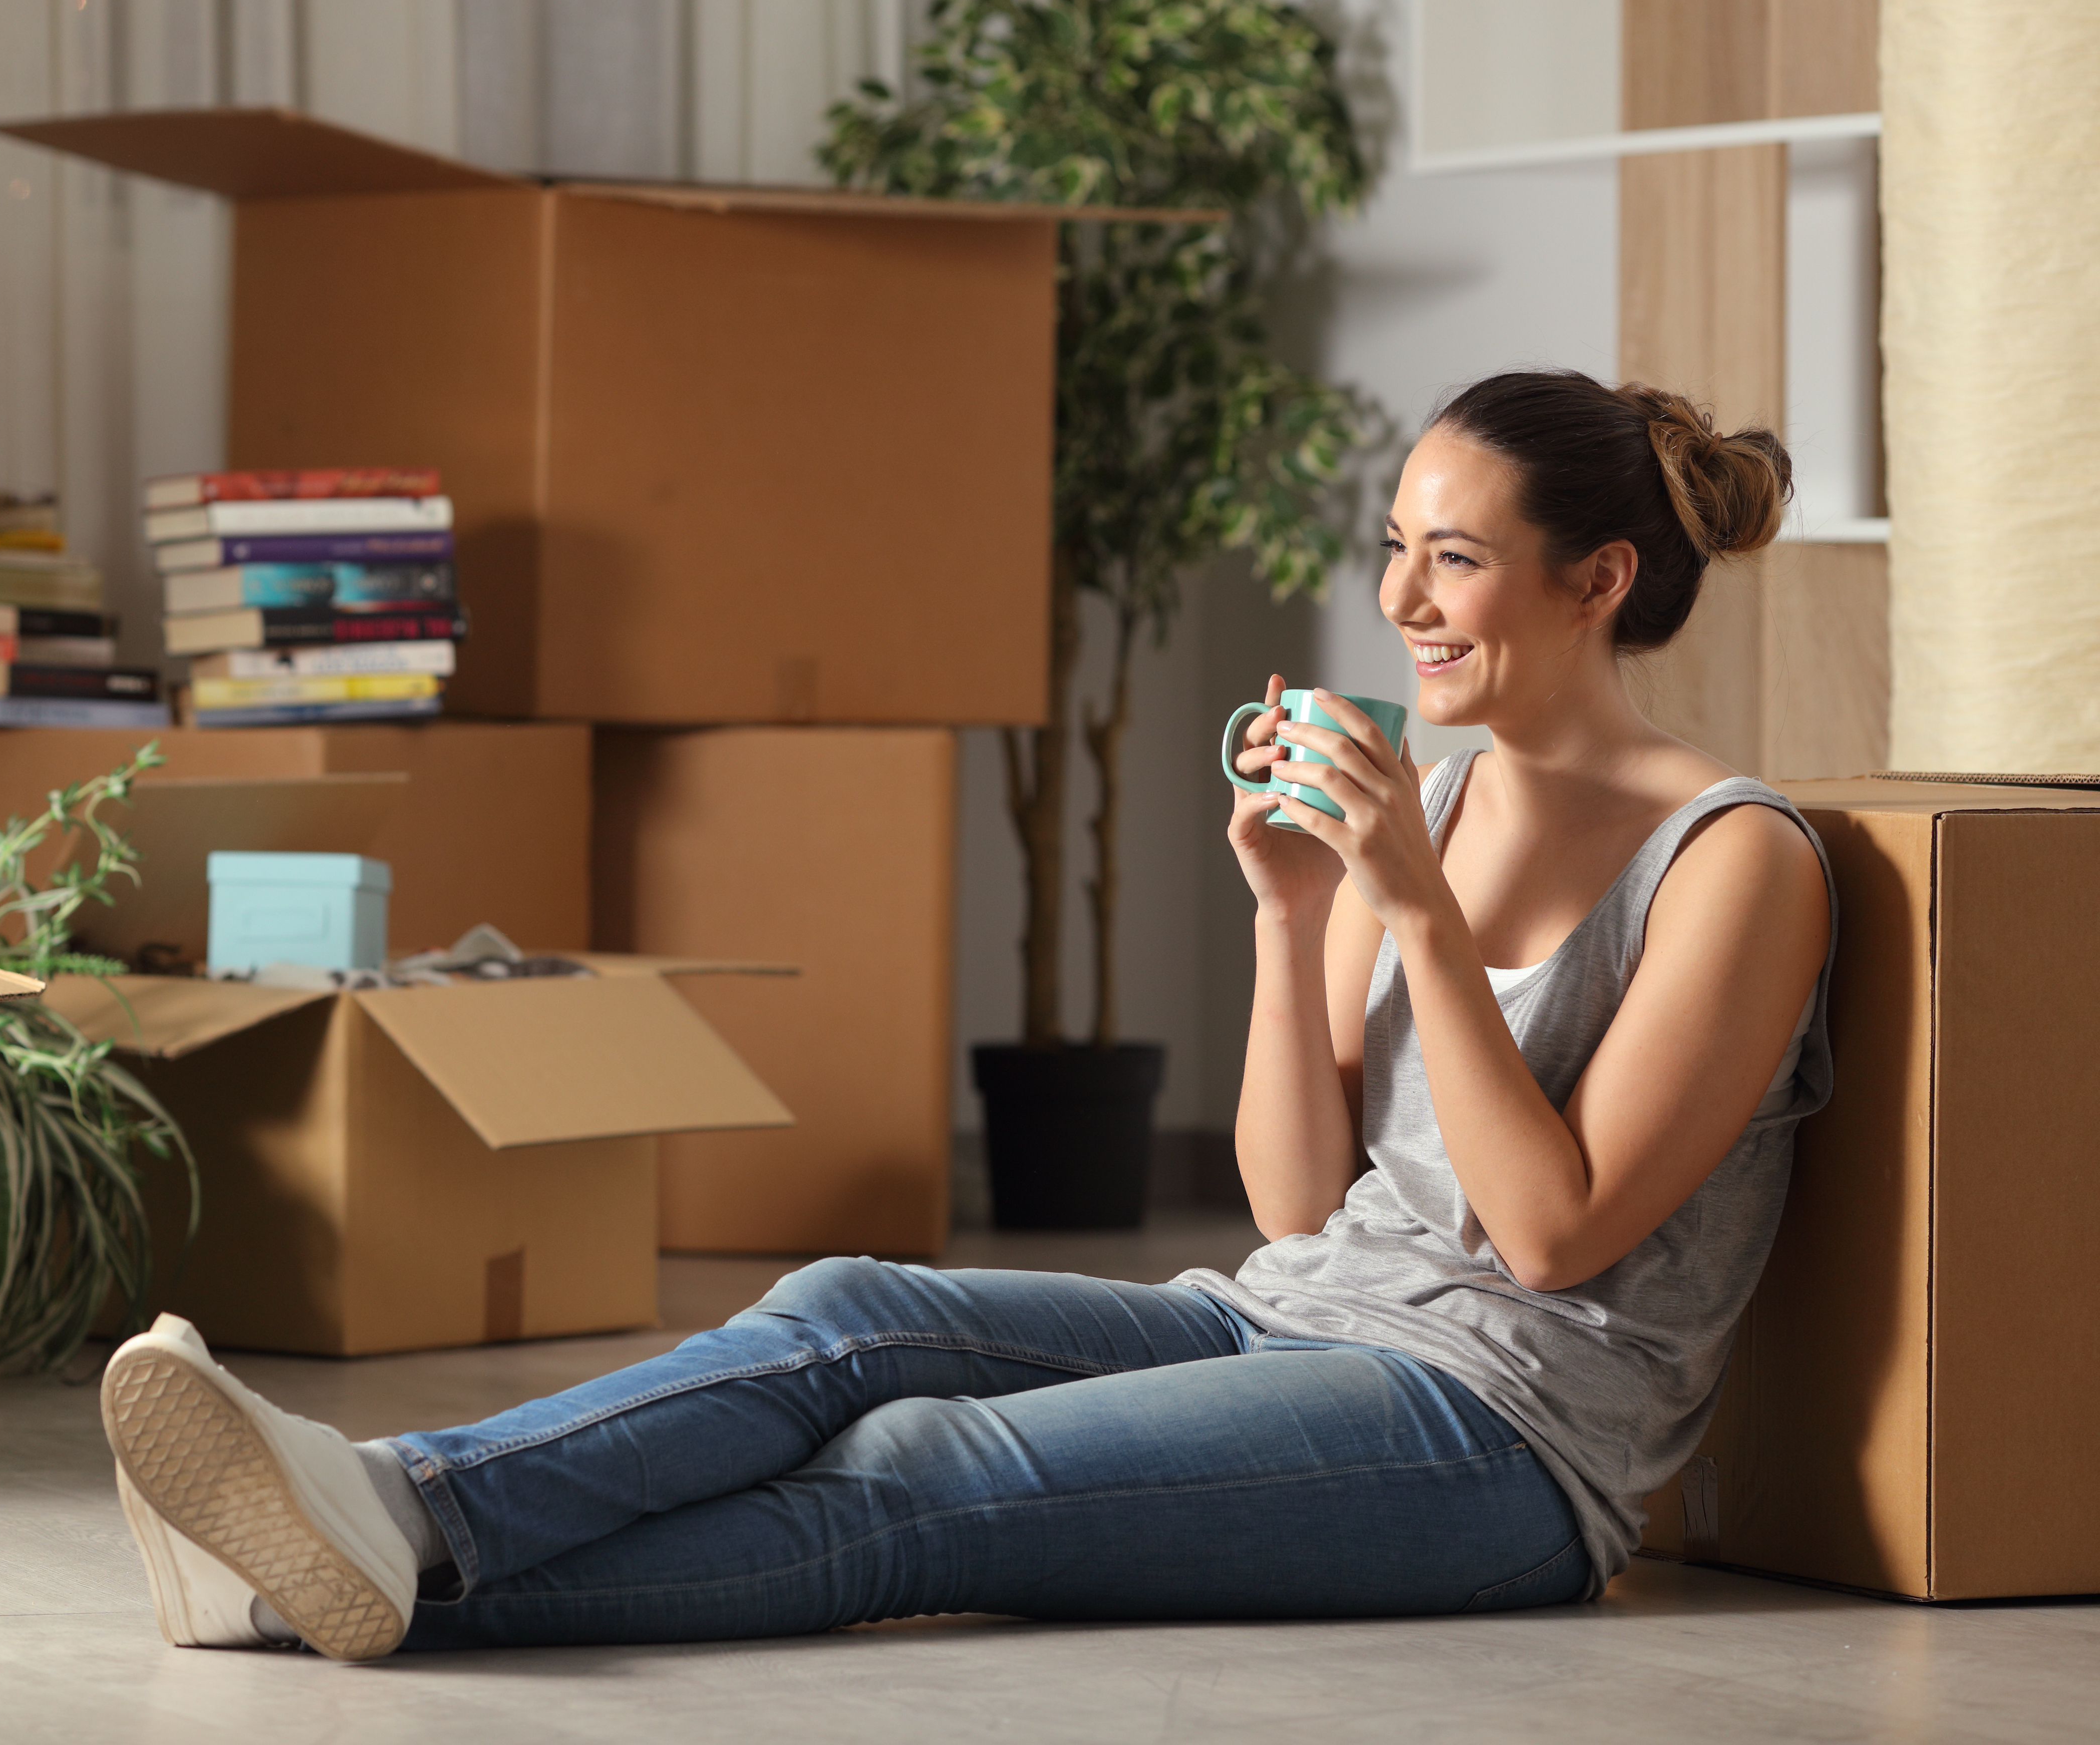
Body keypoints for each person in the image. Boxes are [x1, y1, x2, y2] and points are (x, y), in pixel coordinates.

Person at [97, 368, 1837, 1662]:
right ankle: (385, 1508)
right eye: (1394, 550)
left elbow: (1546, 1237)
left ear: (1600, 581)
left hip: (1508, 1442)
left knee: (925, 1472)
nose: (1397, 604)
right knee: (855, 1314)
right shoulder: (1442, 808)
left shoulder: (1734, 862)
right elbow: (1297, 1208)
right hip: (1297, 1317)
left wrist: (1411, 917)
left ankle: (309, 1577)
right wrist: (1289, 914)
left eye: (1452, 561)